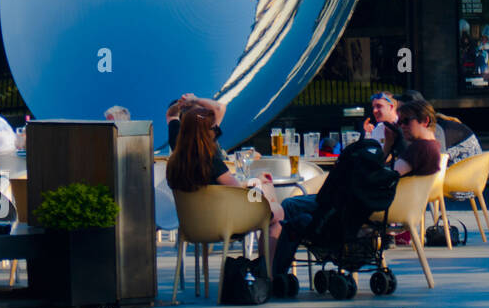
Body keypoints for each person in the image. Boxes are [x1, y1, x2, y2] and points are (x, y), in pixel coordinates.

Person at [271, 98, 442, 280]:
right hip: (387, 204)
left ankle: (273, 272)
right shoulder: (432, 147)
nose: (402, 126)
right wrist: (388, 146)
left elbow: (385, 174)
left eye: (407, 121)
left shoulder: (420, 148)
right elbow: (384, 172)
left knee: (290, 205)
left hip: (366, 205)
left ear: (425, 121)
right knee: (300, 205)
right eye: (400, 122)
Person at [165, 105, 282, 255]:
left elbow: (171, 115)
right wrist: (256, 184)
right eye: (213, 129)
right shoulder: (212, 163)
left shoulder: (174, 164)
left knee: (268, 201)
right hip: (225, 226)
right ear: (205, 133)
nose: (215, 133)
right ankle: (265, 272)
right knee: (277, 216)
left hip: (192, 227)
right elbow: (239, 193)